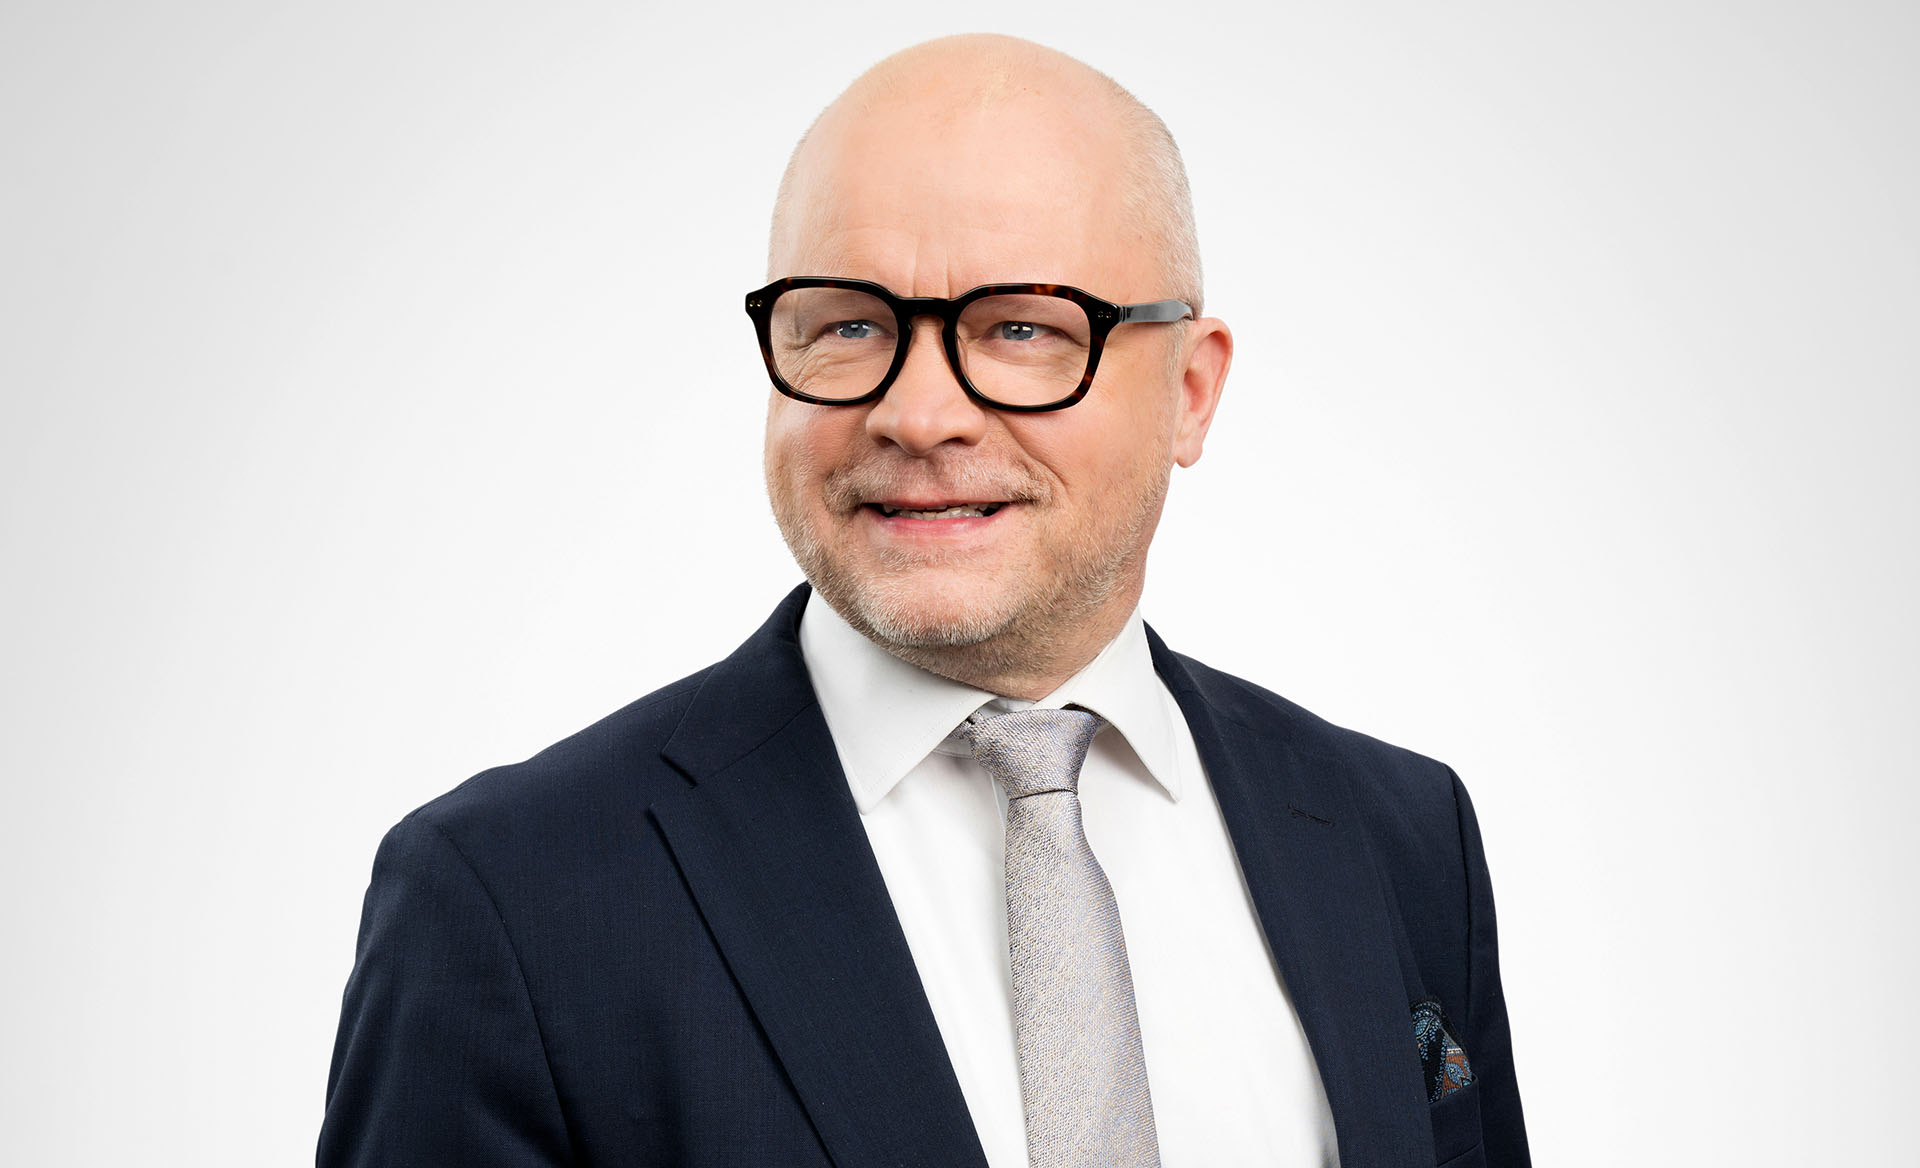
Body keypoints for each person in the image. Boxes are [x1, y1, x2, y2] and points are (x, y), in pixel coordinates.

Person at [319, 34, 1529, 1168]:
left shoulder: (1400, 837)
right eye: (849, 324)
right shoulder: (510, 901)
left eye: (1021, 328)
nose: (919, 413)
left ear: (1191, 391)